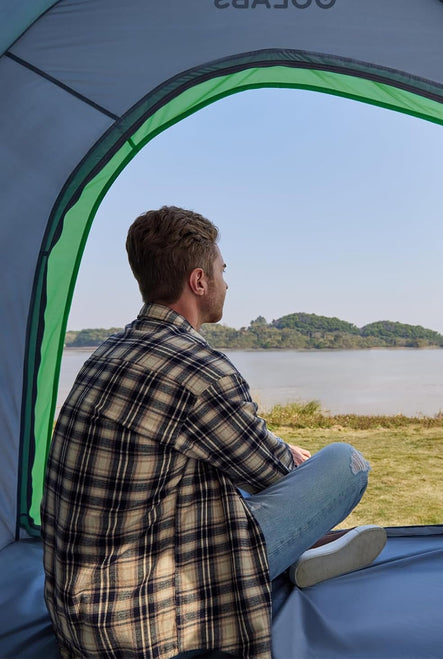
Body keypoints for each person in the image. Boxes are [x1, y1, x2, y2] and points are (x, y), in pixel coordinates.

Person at [41, 206, 386, 659]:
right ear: (199, 281)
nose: (227, 283)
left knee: (220, 482)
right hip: (139, 617)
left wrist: (272, 451)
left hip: (74, 607)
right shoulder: (201, 370)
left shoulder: (107, 351)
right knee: (345, 461)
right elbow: (276, 474)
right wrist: (293, 458)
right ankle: (298, 550)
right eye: (223, 271)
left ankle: (301, 552)